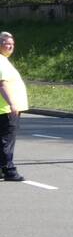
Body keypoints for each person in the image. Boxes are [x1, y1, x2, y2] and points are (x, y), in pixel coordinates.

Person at [0, 32, 28, 182]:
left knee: (3, 140)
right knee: (7, 141)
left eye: (12, 44)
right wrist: (12, 104)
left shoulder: (4, 60)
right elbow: (2, 84)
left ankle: (2, 169)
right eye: (7, 43)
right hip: (6, 109)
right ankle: (9, 170)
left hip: (5, 108)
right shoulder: (1, 61)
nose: (11, 46)